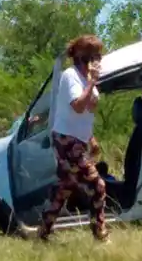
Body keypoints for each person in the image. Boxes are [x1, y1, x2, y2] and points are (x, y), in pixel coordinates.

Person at [37, 34, 109, 243]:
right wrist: (92, 82)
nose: (99, 59)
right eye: (95, 55)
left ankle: (43, 232)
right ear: (84, 56)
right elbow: (77, 106)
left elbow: (89, 109)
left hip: (77, 139)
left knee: (63, 189)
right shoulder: (71, 76)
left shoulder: (85, 78)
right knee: (98, 186)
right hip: (67, 141)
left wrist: (90, 138)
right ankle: (100, 233)